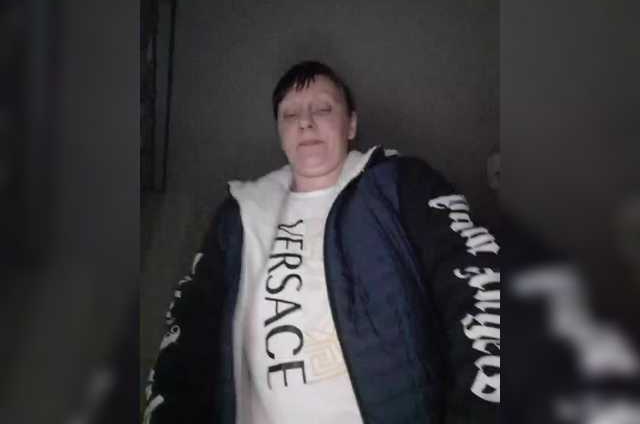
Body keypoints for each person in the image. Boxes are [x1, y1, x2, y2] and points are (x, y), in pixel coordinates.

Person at [143, 61, 501, 423]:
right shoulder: (238, 217)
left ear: (351, 124)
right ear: (280, 133)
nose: (305, 121)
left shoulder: (402, 184)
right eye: (290, 114)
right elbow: (189, 331)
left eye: (323, 108)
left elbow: (476, 282)